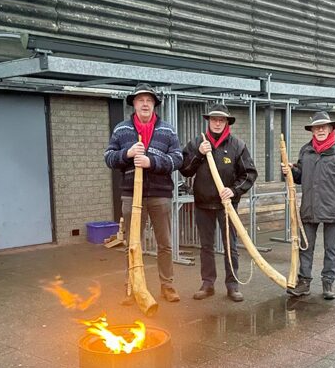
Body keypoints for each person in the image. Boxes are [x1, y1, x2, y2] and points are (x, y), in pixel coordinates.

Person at [105, 82, 183, 303]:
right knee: (132, 244)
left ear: (154, 105)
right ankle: (134, 286)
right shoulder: (122, 129)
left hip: (160, 194)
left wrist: (152, 162)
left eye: (149, 100)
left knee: (165, 243)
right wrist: (126, 153)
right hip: (131, 194)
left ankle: (167, 286)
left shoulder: (167, 130)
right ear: (134, 104)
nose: (145, 104)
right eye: (141, 100)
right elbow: (108, 158)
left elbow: (178, 159)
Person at [180, 103, 257, 302]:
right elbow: (185, 169)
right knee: (206, 246)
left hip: (227, 206)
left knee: (230, 246)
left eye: (221, 120)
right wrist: (198, 153)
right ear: (209, 121)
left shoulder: (237, 145)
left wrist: (234, 190)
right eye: (214, 119)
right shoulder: (198, 141)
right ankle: (207, 284)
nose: (217, 123)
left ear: (226, 123)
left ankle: (232, 285)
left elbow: (249, 173)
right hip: (203, 204)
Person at [282, 111, 335, 300]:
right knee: (305, 247)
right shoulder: (306, 150)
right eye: (317, 127)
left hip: (333, 208)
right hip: (309, 207)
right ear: (313, 130)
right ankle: (304, 282)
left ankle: (328, 282)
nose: (321, 130)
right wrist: (290, 171)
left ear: (331, 128)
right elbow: (300, 177)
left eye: (324, 126)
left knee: (331, 248)